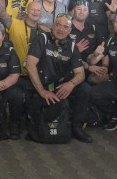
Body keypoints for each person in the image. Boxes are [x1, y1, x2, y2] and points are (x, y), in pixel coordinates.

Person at [25, 14, 93, 143]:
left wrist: (71, 84)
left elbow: (80, 73)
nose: (61, 29)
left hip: (62, 86)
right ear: (52, 26)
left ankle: (77, 128)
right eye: (58, 25)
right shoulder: (42, 39)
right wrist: (42, 91)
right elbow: (30, 64)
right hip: (41, 86)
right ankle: (34, 127)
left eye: (65, 27)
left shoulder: (72, 47)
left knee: (85, 89)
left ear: (70, 30)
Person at [0, 0, 42, 77]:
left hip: (38, 75)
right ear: (26, 10)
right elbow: (2, 13)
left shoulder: (44, 31)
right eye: (32, 9)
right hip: (16, 75)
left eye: (38, 10)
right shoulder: (15, 24)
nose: (35, 12)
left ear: (41, 13)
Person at [68, 0, 106, 83]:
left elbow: (103, 47)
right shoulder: (66, 28)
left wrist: (104, 66)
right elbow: (63, 56)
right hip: (73, 69)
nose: (82, 12)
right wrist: (75, 50)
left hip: (93, 67)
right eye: (79, 9)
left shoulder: (93, 27)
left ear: (88, 13)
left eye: (85, 9)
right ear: (73, 11)